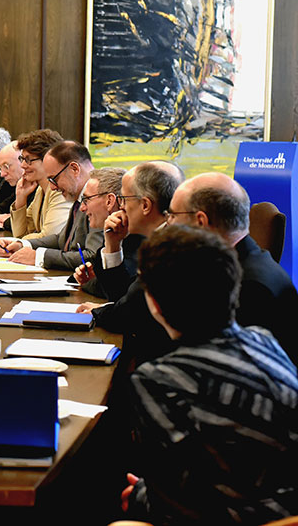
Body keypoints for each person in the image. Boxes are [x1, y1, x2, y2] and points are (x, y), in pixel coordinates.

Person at [121, 224, 298, 526]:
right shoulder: (264, 340)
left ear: (154, 303)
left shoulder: (159, 379)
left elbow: (176, 508)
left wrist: (140, 494)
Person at [164, 172, 298, 363]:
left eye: (173, 215)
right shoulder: (240, 262)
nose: (168, 224)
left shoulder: (248, 288)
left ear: (201, 221)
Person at [76, 162, 185, 367]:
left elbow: (125, 313)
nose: (121, 206)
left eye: (124, 199)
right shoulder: (160, 238)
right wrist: (112, 245)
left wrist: (99, 311)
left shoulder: (172, 247)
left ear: (145, 205)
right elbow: (124, 297)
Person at [0, 140, 99, 269]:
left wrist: (39, 257)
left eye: (54, 179)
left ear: (74, 169)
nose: (52, 187)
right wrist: (23, 244)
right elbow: (60, 239)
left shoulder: (99, 197)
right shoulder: (78, 196)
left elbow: (92, 256)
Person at [71, 167, 131, 298]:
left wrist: (89, 283)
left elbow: (123, 294)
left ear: (109, 201)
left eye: (87, 200)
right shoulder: (111, 232)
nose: (82, 208)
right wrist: (90, 280)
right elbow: (103, 285)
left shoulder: (134, 237)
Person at [8, 129, 70, 239]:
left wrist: (19, 243)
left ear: (49, 159)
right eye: (22, 159)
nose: (22, 165)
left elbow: (48, 238)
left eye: (28, 160)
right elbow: (20, 234)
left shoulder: (61, 191)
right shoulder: (40, 190)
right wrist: (20, 198)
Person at [0, 140, 25, 229]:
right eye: (0, 168)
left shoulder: (38, 188)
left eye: (6, 166)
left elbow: (27, 224)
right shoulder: (16, 185)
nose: (2, 174)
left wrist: (8, 220)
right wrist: (0, 220)